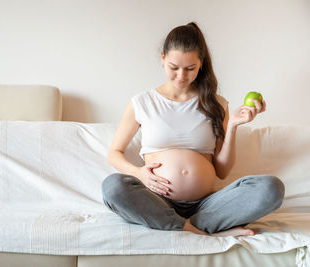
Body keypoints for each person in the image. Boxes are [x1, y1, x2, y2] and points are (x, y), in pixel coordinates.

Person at [101, 22, 285, 237]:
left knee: (271, 188)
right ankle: (197, 229)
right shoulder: (142, 102)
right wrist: (139, 173)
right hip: (157, 199)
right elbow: (114, 153)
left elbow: (223, 171)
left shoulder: (215, 103)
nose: (181, 76)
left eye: (190, 69)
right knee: (113, 187)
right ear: (162, 58)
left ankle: (190, 225)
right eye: (174, 67)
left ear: (201, 64)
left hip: (207, 204)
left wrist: (233, 125)